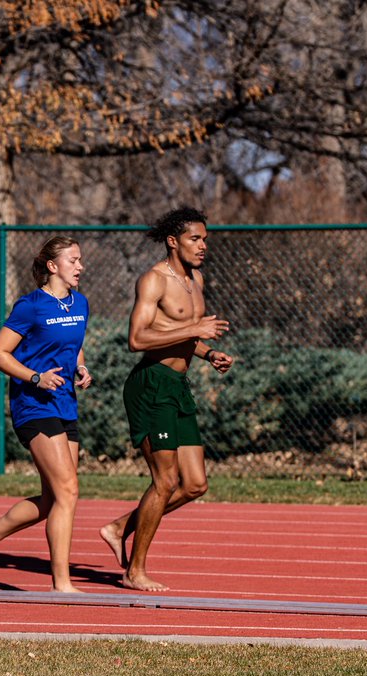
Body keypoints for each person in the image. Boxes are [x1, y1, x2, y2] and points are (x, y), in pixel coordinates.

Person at [99, 207, 234, 592]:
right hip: (150, 384)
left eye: (205, 239)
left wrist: (208, 353)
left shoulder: (197, 279)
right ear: (173, 241)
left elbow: (183, 335)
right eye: (195, 238)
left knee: (194, 484)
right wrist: (195, 329)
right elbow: (137, 339)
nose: (203, 246)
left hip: (178, 384)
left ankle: (120, 526)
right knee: (165, 480)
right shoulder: (154, 281)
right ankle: (134, 571)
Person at [0, 237, 93, 592]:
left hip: (65, 403)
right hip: (34, 404)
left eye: (80, 259)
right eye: (73, 260)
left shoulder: (80, 303)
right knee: (69, 490)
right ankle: (62, 583)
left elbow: (74, 345)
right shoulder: (30, 306)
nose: (80, 266)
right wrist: (35, 377)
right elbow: (0, 353)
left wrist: (81, 368)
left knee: (53, 498)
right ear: (53, 266)